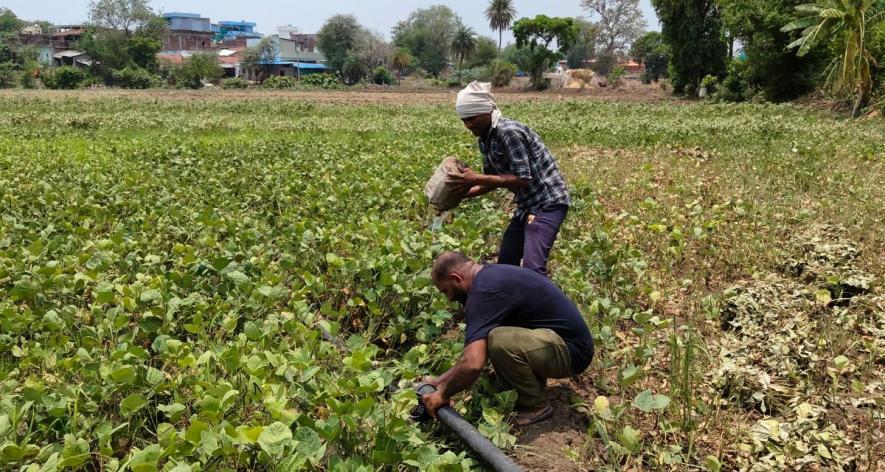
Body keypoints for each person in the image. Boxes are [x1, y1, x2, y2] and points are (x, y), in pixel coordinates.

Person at [421, 252, 594, 426]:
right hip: (557, 342)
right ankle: (533, 388)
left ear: (456, 278)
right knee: (494, 337)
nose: (449, 299)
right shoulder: (490, 276)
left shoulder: (483, 292)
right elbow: (471, 357)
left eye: (445, 291)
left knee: (498, 340)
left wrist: (442, 395)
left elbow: (472, 363)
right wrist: (440, 381)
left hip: (573, 352)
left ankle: (534, 406)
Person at [447, 81, 571, 277]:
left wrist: (475, 177)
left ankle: (544, 305)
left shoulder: (508, 132)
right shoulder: (485, 139)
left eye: (472, 118)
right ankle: (514, 305)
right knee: (506, 264)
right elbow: (491, 180)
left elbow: (523, 179)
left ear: (486, 111)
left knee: (533, 268)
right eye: (464, 120)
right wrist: (459, 195)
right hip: (526, 206)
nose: (468, 124)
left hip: (548, 202)